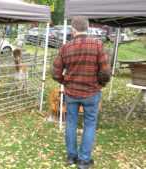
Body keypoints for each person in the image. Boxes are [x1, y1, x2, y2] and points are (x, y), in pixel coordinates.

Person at [50, 16, 111, 169]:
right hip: (91, 92)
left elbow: (54, 72)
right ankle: (84, 160)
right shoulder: (98, 45)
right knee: (89, 124)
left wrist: (64, 81)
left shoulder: (66, 47)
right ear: (88, 28)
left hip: (71, 93)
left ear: (73, 30)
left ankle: (71, 156)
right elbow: (105, 72)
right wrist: (101, 83)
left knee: (70, 122)